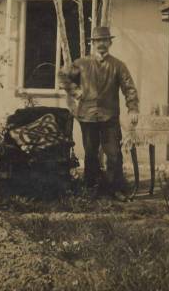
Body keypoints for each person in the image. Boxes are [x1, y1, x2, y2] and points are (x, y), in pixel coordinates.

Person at [58, 26, 139, 200]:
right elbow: (63, 76)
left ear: (110, 42)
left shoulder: (118, 65)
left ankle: (115, 189)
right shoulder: (82, 64)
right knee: (90, 154)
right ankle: (91, 189)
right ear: (92, 43)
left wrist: (132, 108)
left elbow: (129, 88)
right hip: (87, 116)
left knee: (114, 154)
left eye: (104, 40)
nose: (101, 44)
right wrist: (75, 91)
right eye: (97, 41)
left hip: (109, 117)